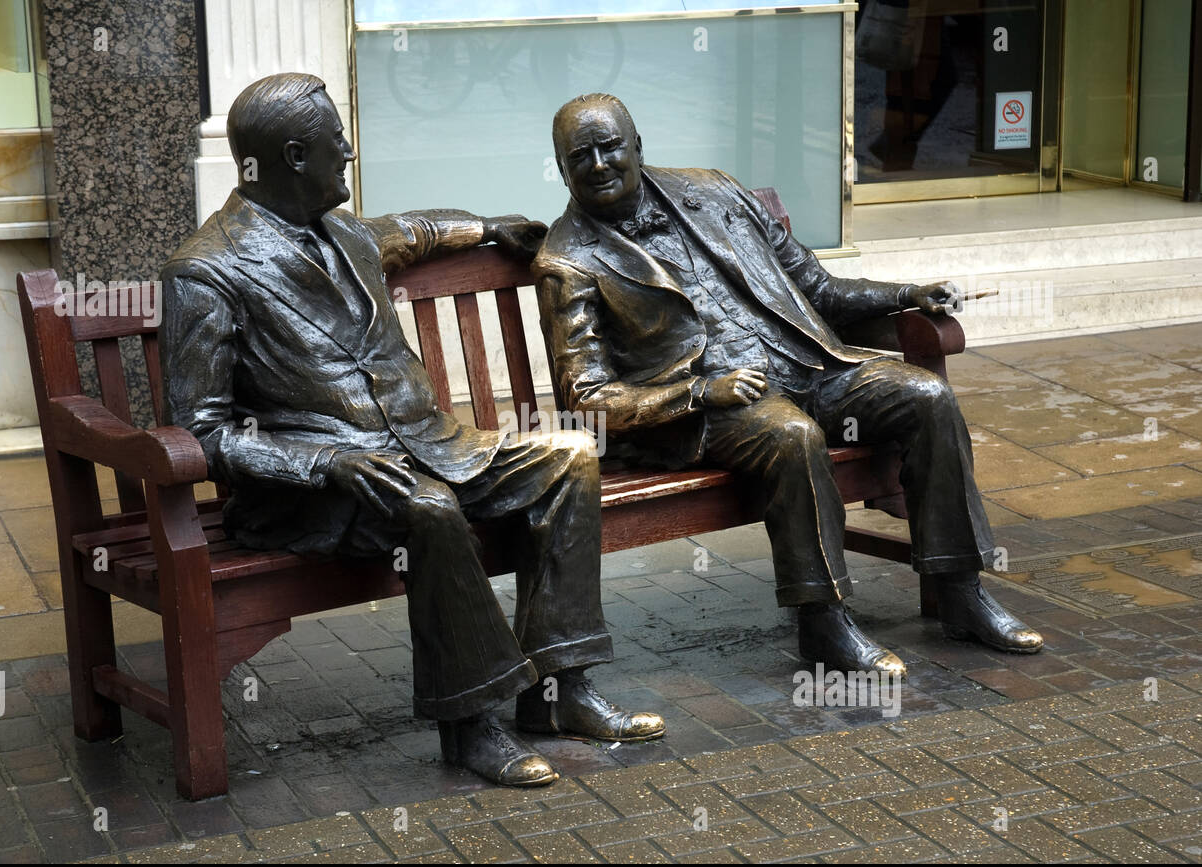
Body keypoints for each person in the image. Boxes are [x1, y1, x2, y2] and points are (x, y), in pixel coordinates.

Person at [159, 74, 664, 788]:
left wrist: (488, 229)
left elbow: (415, 232)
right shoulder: (205, 270)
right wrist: (325, 460)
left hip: (428, 446)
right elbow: (200, 433)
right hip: (312, 493)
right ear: (297, 156)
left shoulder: (341, 229)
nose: (351, 151)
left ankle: (560, 691)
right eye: (337, 142)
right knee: (431, 508)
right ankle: (471, 725)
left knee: (570, 458)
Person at [534, 93, 1043, 678]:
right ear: (562, 167)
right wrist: (700, 393)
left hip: (807, 367)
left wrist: (904, 295)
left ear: (638, 147)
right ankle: (823, 622)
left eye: (610, 147)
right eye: (580, 156)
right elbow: (588, 399)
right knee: (792, 436)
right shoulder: (566, 260)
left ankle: (961, 591)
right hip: (701, 412)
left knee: (925, 397)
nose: (598, 164)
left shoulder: (715, 191)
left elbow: (817, 289)